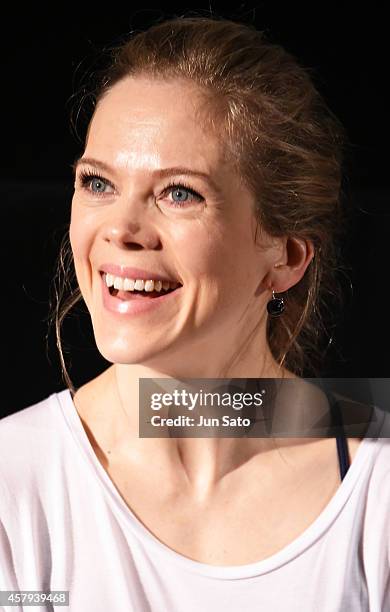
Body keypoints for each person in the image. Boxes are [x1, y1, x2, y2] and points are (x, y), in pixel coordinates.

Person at [0, 15, 389, 612]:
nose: (121, 230)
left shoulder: (378, 491)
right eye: (98, 182)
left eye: (179, 192)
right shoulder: (13, 484)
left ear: (285, 258)